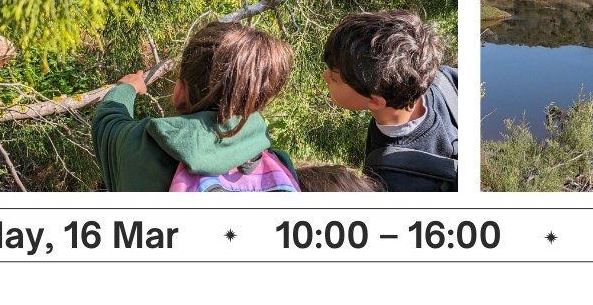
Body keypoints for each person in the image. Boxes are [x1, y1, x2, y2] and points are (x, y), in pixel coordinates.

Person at [91, 22, 299, 192]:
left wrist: (127, 87)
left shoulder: (145, 146)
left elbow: (107, 119)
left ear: (180, 92)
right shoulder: (278, 166)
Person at [322, 10, 458, 191]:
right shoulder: (442, 80)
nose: (324, 76)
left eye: (334, 78)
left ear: (376, 102)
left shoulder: (390, 183)